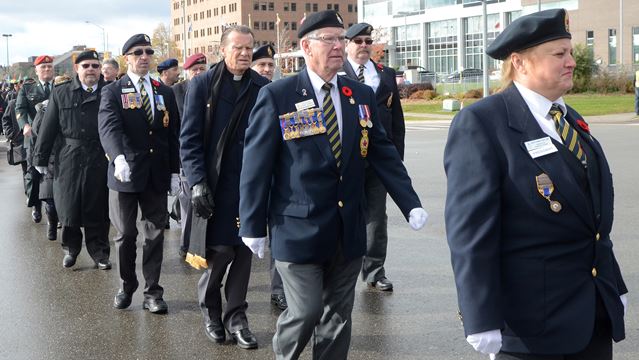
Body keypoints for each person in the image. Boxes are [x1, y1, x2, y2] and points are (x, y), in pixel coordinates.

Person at [238, 10, 428, 359]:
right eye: (330, 39)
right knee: (306, 311)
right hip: (298, 229)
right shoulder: (279, 95)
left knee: (338, 319)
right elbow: (256, 164)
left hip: (347, 229)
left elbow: (383, 153)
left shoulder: (359, 95)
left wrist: (410, 201)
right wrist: (251, 225)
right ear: (306, 47)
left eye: (341, 38)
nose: (339, 46)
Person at [444, 9, 627, 360]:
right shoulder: (483, 123)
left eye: (570, 52)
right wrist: (479, 316)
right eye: (559, 54)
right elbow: (470, 232)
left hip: (591, 314)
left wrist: (612, 284)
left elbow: (591, 219)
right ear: (520, 63)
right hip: (532, 324)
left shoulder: (568, 118)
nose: (571, 61)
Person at [180, 25, 268, 350]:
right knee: (218, 255)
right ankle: (211, 311)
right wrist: (198, 182)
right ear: (222, 50)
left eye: (249, 48)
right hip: (214, 187)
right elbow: (188, 140)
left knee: (244, 254)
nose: (245, 53)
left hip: (249, 187)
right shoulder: (203, 86)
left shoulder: (263, 87)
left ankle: (237, 318)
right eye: (238, 48)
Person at [98, 34, 180, 314]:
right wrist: (117, 157)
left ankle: (153, 292)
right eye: (138, 52)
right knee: (126, 235)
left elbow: (172, 135)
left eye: (148, 51)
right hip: (125, 173)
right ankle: (126, 284)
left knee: (155, 234)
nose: (144, 56)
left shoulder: (163, 91)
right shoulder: (113, 91)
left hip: (156, 174)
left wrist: (174, 171)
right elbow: (109, 128)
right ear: (127, 58)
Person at [32, 50, 111, 270]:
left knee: (99, 207)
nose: (91, 70)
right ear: (77, 68)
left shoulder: (109, 92)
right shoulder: (61, 92)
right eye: (86, 66)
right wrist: (40, 158)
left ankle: (100, 252)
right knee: (69, 206)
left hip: (100, 156)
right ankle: (71, 249)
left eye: (95, 66)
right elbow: (48, 127)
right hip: (69, 157)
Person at [342, 22, 405, 292]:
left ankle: (375, 270)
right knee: (340, 213)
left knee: (377, 218)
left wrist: (395, 161)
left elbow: (396, 122)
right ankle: (336, 268)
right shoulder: (336, 71)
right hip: (345, 159)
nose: (364, 46)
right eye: (358, 41)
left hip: (377, 159)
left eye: (368, 41)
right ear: (347, 45)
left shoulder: (385, 74)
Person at [249, 43, 287, 311]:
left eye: (269, 65)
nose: (266, 69)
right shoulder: (244, 92)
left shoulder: (282, 93)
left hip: (277, 177)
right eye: (261, 65)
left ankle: (279, 289)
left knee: (278, 233)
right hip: (247, 176)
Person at [172, 52, 207, 259]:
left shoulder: (211, 89)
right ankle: (186, 246)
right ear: (187, 72)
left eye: (202, 69)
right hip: (186, 156)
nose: (198, 73)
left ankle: (202, 244)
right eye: (194, 70)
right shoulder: (177, 91)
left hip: (208, 155)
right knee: (188, 203)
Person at [15, 55, 55, 223]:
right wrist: (24, 125)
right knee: (33, 174)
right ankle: (36, 206)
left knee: (55, 174)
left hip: (55, 138)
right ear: (37, 70)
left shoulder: (61, 85)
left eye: (49, 67)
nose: (47, 70)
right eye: (43, 67)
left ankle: (55, 209)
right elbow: (20, 109)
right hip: (34, 138)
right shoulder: (28, 88)